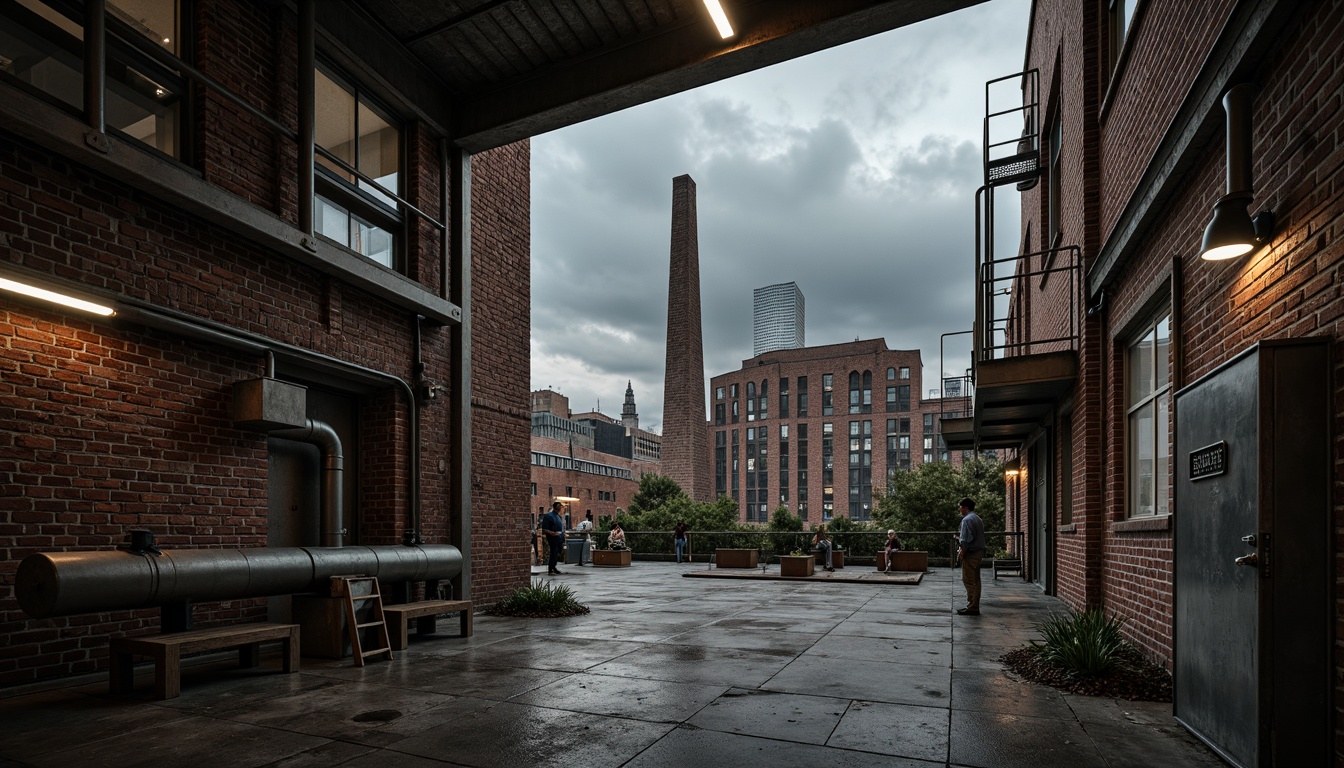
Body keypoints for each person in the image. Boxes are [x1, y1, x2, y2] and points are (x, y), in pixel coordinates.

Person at [955, 497, 986, 615]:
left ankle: (972, 606)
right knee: (976, 580)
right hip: (979, 552)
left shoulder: (966, 520)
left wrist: (961, 553)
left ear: (965, 507)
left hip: (971, 554)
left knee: (969, 580)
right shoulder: (977, 518)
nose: (960, 509)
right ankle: (974, 605)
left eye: (960, 507)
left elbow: (966, 539)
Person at [540, 501, 567, 575]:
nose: (560, 508)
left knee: (558, 552)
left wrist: (563, 534)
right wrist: (551, 533)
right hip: (553, 538)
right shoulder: (549, 516)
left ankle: (553, 567)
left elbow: (560, 528)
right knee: (553, 552)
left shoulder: (558, 516)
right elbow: (544, 529)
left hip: (559, 537)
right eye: (559, 507)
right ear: (555, 507)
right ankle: (551, 568)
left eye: (561, 507)